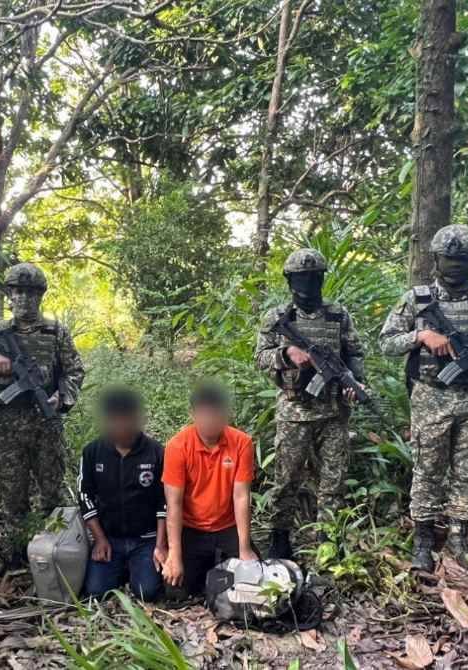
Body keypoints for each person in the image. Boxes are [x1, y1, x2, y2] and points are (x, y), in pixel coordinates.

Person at [379, 224, 468, 572]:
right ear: (437, 258)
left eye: (461, 259)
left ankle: (459, 534)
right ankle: (424, 538)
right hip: (431, 396)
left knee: (467, 471)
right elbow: (386, 342)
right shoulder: (418, 299)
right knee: (427, 470)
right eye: (448, 258)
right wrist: (422, 335)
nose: (454, 265)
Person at [255, 248, 367, 560]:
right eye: (302, 278)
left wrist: (356, 383)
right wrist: (286, 355)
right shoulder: (279, 318)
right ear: (290, 280)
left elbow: (354, 352)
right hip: (294, 412)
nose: (308, 284)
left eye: (314, 277)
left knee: (333, 481)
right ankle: (279, 538)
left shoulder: (338, 315)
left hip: (333, 413)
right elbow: (259, 357)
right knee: (287, 478)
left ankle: (328, 541)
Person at [0, 263, 85, 559]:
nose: (24, 298)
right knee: (12, 493)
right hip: (9, 426)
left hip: (46, 424)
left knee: (52, 492)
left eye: (31, 293)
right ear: (10, 295)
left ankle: (55, 554)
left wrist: (61, 397)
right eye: (18, 292)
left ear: (40, 296)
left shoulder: (55, 332)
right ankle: (17, 553)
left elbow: (74, 371)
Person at [161, 382, 258, 596]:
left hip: (227, 526)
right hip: (192, 527)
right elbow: (173, 504)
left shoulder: (242, 443)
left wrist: (244, 548)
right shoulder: (177, 447)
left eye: (215, 414)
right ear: (193, 414)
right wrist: (174, 554)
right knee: (175, 590)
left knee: (251, 579)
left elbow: (241, 496)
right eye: (204, 414)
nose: (210, 421)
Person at [78, 387, 167, 601]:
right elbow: (85, 496)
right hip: (110, 537)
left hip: (145, 539)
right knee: (96, 592)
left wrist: (161, 545)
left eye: (127, 419)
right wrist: (99, 539)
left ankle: (137, 568)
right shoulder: (93, 452)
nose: (121, 426)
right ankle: (120, 567)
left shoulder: (156, 452)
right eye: (115, 419)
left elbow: (164, 501)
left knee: (148, 592)